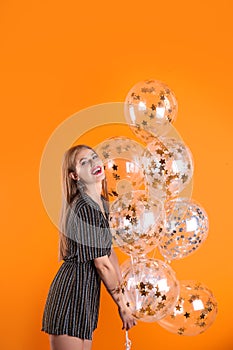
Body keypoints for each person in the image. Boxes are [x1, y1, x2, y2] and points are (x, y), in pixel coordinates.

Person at [41, 144, 136, 350]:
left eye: (94, 157)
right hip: (71, 295)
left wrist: (124, 295)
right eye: (84, 162)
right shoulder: (84, 207)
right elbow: (102, 264)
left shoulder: (102, 203)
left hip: (86, 297)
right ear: (74, 176)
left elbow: (108, 253)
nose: (93, 163)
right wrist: (122, 304)